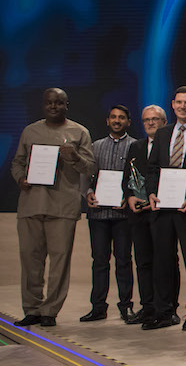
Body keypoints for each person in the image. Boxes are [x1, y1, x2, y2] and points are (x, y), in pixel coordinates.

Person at [11, 88, 97, 327]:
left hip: (63, 206)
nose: (53, 107)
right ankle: (32, 309)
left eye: (58, 103)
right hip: (31, 204)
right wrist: (20, 179)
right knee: (30, 260)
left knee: (59, 262)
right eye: (49, 103)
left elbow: (90, 168)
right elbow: (17, 162)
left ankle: (49, 310)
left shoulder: (79, 132)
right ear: (43, 105)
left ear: (66, 105)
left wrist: (74, 158)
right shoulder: (31, 131)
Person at [142, 86, 186, 331]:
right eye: (179, 102)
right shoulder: (162, 134)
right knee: (163, 262)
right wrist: (150, 192)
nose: (182, 106)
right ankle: (165, 311)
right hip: (162, 208)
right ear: (172, 104)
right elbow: (152, 169)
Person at [80, 105, 137, 323]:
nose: (117, 120)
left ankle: (126, 307)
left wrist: (129, 195)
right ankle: (98, 307)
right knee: (99, 261)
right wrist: (88, 193)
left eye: (122, 117)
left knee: (123, 260)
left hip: (123, 216)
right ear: (107, 121)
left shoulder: (135, 146)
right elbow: (87, 176)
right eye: (113, 117)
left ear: (128, 122)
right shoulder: (95, 147)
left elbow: (137, 178)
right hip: (98, 215)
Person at [121, 104, 167, 325]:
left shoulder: (170, 146)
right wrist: (129, 196)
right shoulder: (135, 147)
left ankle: (165, 308)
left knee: (164, 262)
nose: (150, 123)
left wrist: (155, 197)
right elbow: (127, 177)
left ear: (164, 122)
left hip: (161, 213)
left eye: (155, 119)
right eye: (146, 119)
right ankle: (147, 306)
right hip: (138, 214)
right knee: (143, 262)